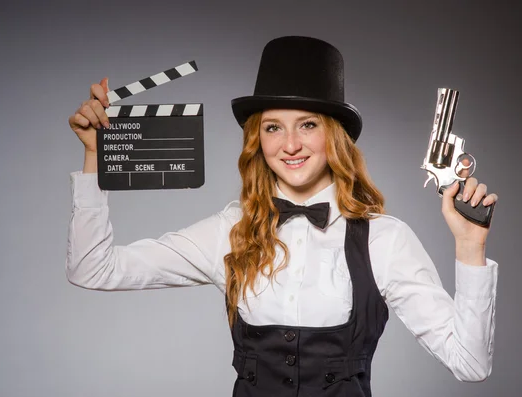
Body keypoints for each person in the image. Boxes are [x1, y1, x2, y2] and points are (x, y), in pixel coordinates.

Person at [66, 36, 499, 397]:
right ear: (258, 140)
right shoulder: (229, 231)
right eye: (273, 127)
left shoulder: (385, 240)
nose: (290, 144)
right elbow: (93, 269)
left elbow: (470, 363)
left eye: (307, 124)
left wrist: (469, 246)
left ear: (335, 138)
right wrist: (92, 157)